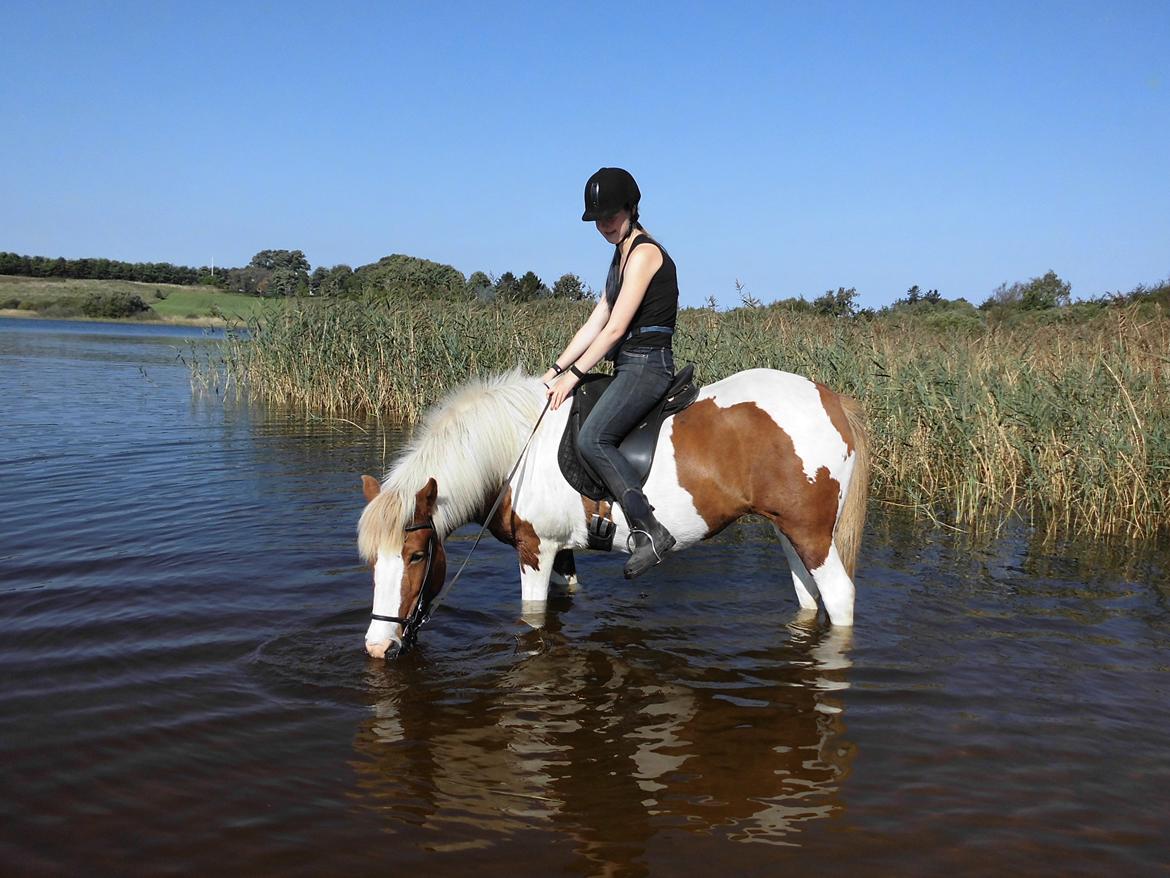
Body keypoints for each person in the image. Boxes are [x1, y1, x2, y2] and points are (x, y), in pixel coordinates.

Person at [541, 167, 679, 579]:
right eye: (598, 221)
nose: (604, 226)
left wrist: (575, 375)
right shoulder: (618, 256)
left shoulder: (645, 253)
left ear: (632, 209)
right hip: (625, 365)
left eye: (611, 217)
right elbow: (597, 317)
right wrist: (557, 368)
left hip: (648, 365)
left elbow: (617, 328)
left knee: (592, 436)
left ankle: (649, 530)